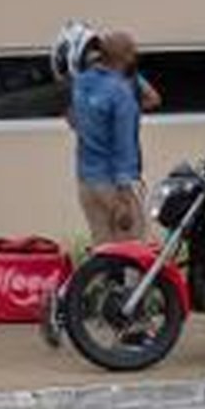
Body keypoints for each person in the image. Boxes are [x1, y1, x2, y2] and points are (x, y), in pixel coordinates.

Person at [70, 29, 147, 246]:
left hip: (86, 181)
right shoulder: (120, 93)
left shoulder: (80, 83)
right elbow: (124, 146)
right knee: (131, 252)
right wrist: (124, 198)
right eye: (133, 52)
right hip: (114, 184)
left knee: (102, 252)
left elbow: (73, 119)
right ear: (126, 57)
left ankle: (102, 281)